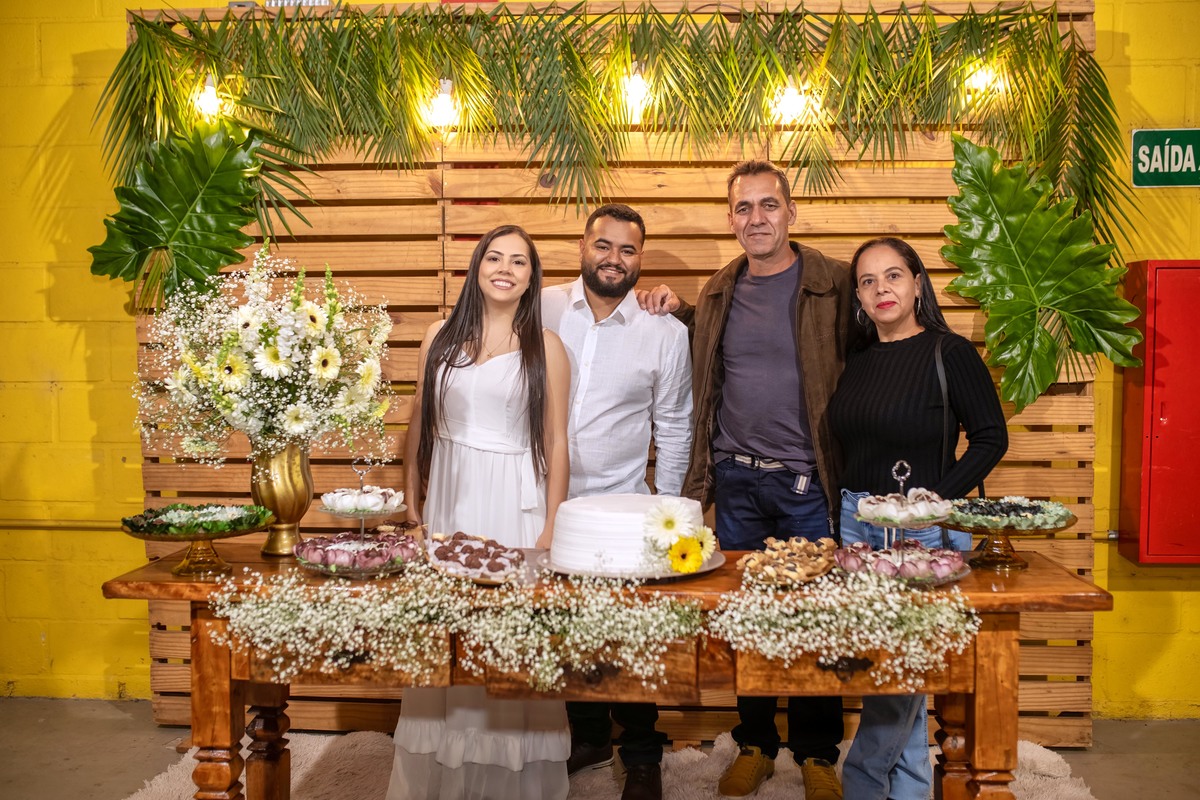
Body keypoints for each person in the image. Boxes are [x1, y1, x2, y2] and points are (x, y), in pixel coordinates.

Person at [640, 160, 851, 800]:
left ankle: (816, 754)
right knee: (745, 621)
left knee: (813, 621)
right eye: (743, 207)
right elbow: (705, 356)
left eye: (768, 205)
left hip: (808, 486)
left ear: (791, 212)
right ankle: (756, 744)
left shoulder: (835, 285)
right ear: (731, 219)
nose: (756, 218)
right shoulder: (719, 291)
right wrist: (672, 307)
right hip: (736, 483)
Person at [388, 225, 572, 800]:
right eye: (495, 257)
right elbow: (419, 423)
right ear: (477, 267)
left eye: (519, 261)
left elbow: (557, 442)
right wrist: (412, 502)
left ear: (531, 278)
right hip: (449, 499)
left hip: (513, 506)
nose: (505, 269)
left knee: (508, 642)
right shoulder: (438, 336)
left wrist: (551, 526)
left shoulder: (547, 346)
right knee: (443, 636)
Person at [827, 236, 1007, 800]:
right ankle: (907, 790)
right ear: (859, 297)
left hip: (923, 531)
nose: (881, 288)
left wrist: (931, 502)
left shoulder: (949, 353)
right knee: (889, 664)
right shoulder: (858, 360)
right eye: (867, 281)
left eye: (893, 275)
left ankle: (861, 782)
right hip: (857, 523)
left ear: (917, 284)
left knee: (900, 666)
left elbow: (991, 438)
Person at [541, 203, 693, 800]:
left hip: (623, 506)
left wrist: (667, 511)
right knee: (564, 629)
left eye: (627, 250)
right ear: (583, 247)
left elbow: (674, 425)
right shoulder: (542, 307)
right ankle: (588, 738)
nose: (614, 258)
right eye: (603, 245)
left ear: (640, 259)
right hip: (544, 501)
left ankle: (641, 753)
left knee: (633, 636)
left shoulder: (666, 331)